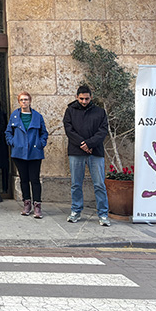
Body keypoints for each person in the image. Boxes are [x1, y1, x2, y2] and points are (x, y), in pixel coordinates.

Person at [63, 84, 111, 226]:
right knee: (76, 184)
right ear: (77, 97)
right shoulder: (70, 111)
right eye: (82, 99)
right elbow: (69, 130)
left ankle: (103, 214)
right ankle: (76, 211)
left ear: (91, 97)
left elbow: (103, 131)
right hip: (76, 152)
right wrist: (83, 144)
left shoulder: (100, 112)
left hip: (95, 152)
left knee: (99, 184)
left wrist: (89, 144)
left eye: (87, 99)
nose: (84, 101)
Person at [6, 91, 48, 219]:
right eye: (21, 100)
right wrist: (13, 143)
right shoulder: (14, 116)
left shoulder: (37, 116)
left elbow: (44, 133)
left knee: (34, 179)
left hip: (35, 152)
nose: (24, 102)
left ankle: (37, 205)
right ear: (19, 102)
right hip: (19, 153)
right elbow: (8, 132)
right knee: (23, 178)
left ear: (30, 101)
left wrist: (41, 143)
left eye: (26, 100)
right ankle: (26, 203)